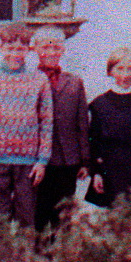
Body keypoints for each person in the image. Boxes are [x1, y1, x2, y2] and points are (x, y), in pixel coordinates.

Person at [0, 22, 53, 227]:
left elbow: (46, 122)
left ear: (28, 49)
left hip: (28, 162)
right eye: (10, 48)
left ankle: (24, 249)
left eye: (21, 49)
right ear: (1, 48)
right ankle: (0, 250)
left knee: (27, 218)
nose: (15, 54)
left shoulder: (39, 79)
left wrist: (42, 160)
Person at [32, 25, 90, 230]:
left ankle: (63, 249)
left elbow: (82, 123)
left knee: (64, 216)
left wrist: (84, 161)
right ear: (35, 49)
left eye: (56, 47)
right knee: (39, 215)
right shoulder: (29, 79)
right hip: (38, 160)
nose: (51, 52)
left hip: (67, 159)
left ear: (63, 49)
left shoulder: (74, 82)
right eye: (45, 47)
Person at [86, 46, 131, 208]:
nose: (125, 74)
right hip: (109, 169)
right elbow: (93, 142)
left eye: (130, 69)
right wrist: (96, 173)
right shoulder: (99, 104)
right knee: (112, 215)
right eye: (120, 69)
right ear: (110, 71)